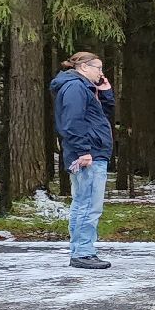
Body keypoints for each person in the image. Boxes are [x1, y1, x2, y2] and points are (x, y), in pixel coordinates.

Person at [50, 52, 115, 270]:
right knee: (88, 204)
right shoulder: (76, 88)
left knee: (83, 203)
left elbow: (100, 117)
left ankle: (81, 250)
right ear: (84, 67)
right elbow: (71, 122)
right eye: (98, 68)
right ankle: (83, 252)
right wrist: (83, 151)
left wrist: (105, 94)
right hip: (89, 154)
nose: (101, 72)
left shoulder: (83, 88)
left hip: (91, 152)